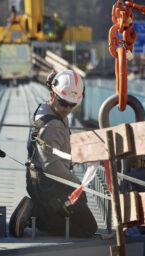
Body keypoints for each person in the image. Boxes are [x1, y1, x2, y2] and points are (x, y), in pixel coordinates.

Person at [9, 70, 97, 238]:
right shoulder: (52, 124)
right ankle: (37, 213)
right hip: (49, 186)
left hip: (41, 181)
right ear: (52, 95)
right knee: (88, 228)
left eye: (73, 105)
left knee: (80, 207)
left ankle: (43, 209)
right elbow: (51, 166)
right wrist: (77, 184)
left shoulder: (50, 111)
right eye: (64, 103)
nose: (67, 109)